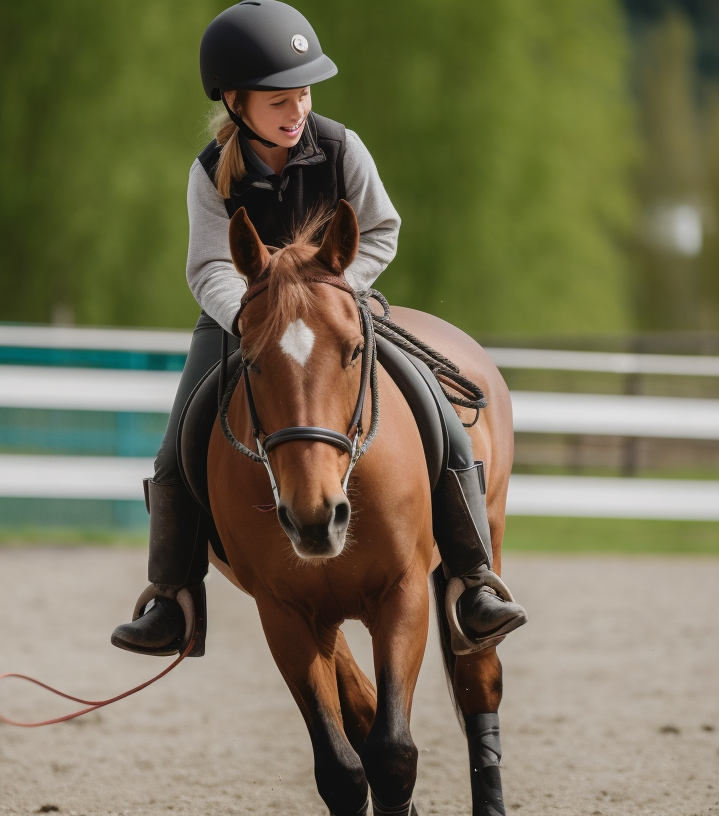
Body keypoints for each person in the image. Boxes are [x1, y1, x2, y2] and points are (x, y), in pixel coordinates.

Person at [111, 0, 527, 658]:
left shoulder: (340, 147)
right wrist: (256, 317)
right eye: (280, 99)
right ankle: (173, 597)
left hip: (340, 313)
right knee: (175, 450)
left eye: (303, 93)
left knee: (439, 418)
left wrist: (336, 295)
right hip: (242, 324)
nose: (297, 109)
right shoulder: (208, 174)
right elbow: (208, 268)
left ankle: (474, 581)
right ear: (236, 101)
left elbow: (382, 229)